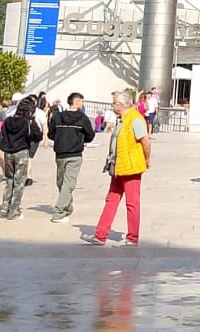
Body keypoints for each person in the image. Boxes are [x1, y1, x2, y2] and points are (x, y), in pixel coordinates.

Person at [82, 89, 149, 246]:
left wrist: (146, 159)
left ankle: (132, 237)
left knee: (132, 203)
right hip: (118, 166)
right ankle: (100, 235)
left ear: (123, 104)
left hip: (131, 167)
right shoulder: (122, 119)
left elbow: (145, 141)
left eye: (114, 103)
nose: (113, 105)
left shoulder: (135, 119)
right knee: (111, 199)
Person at [48, 92, 96, 221]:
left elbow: (51, 134)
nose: (82, 104)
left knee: (64, 182)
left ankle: (63, 208)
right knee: (65, 183)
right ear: (77, 102)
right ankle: (61, 210)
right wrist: (79, 139)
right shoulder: (81, 118)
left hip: (62, 153)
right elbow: (90, 135)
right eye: (81, 101)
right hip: (73, 153)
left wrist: (61, 138)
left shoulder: (57, 117)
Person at [0, 96, 42, 221]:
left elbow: (3, 134)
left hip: (8, 153)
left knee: (9, 181)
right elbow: (38, 136)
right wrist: (33, 122)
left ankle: (4, 208)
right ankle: (14, 210)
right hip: (21, 151)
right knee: (19, 183)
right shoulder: (28, 122)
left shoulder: (8, 120)